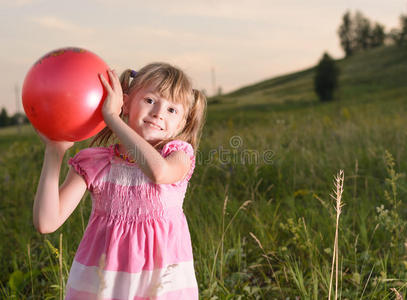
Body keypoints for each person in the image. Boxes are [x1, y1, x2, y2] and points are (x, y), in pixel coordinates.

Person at [33, 62, 206, 299]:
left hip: (162, 283)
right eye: (150, 100)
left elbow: (159, 173)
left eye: (172, 110)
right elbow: (47, 222)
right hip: (103, 283)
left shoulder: (178, 155)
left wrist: (112, 118)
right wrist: (54, 152)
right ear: (125, 102)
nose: (158, 113)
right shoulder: (97, 163)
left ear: (182, 124)